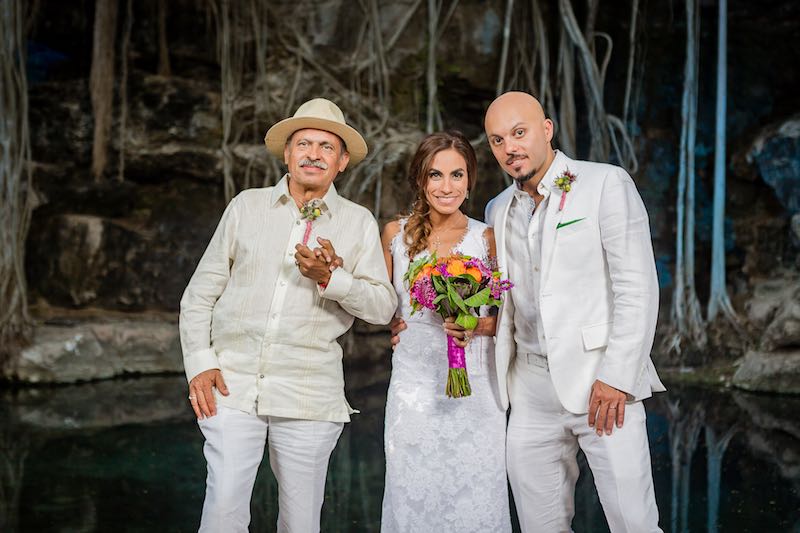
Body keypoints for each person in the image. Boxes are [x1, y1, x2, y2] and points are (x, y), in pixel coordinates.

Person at [179, 97, 397, 533]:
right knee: (222, 513)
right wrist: (201, 365)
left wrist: (332, 278)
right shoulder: (246, 206)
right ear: (287, 153)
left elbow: (383, 307)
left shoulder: (357, 222)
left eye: (326, 147)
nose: (313, 153)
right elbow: (199, 295)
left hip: (309, 393)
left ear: (342, 162)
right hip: (234, 384)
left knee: (300, 523)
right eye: (304, 143)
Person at [484, 91, 665, 532]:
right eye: (497, 140)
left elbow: (637, 287)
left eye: (520, 132)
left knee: (634, 524)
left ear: (547, 130)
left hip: (601, 384)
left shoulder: (605, 183)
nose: (510, 148)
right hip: (527, 390)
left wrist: (617, 377)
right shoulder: (496, 209)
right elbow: (503, 302)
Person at [379, 131, 512, 533]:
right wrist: (391, 322)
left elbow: (510, 316)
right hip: (414, 386)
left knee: (476, 492)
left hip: (476, 386)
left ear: (470, 180)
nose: (446, 186)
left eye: (457, 175)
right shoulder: (394, 235)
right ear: (420, 180)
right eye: (435, 175)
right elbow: (379, 302)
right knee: (413, 493)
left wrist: (477, 324)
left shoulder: (485, 237)